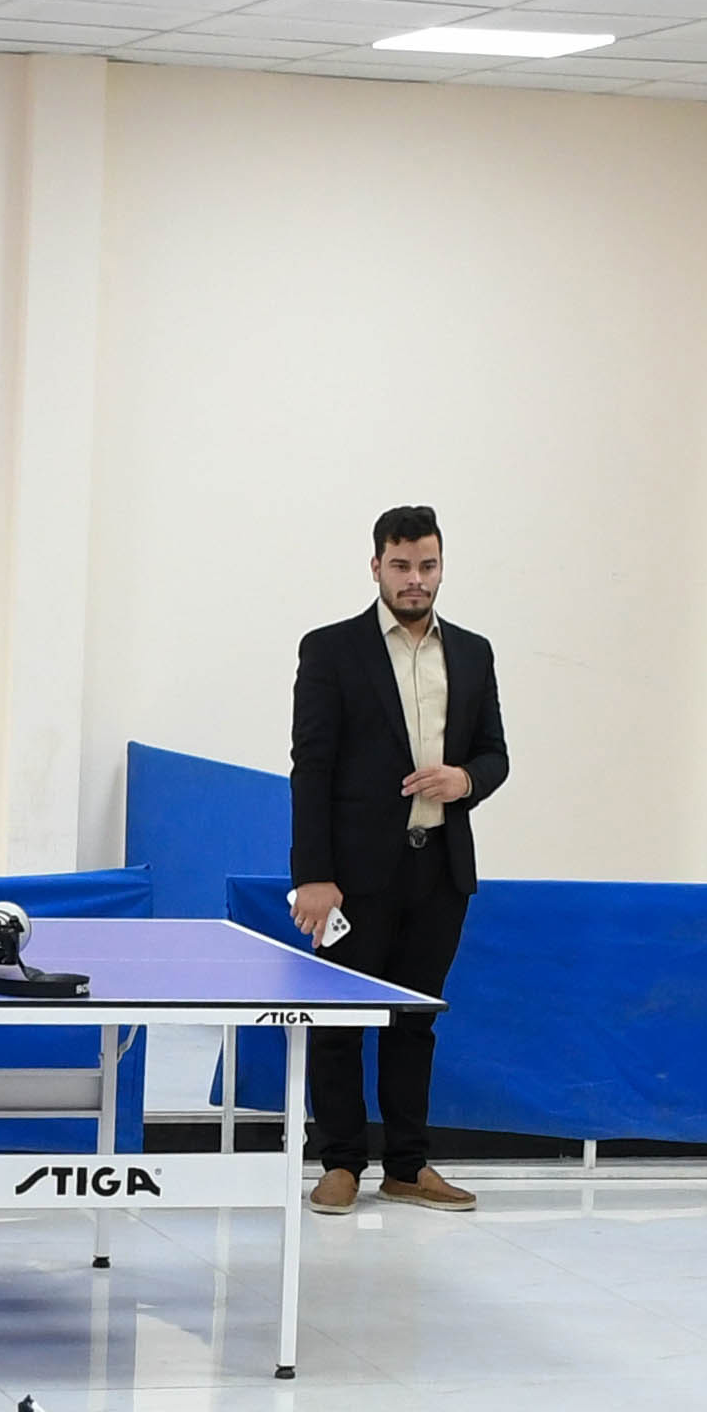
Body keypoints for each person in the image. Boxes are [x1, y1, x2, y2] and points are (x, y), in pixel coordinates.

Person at [289, 505, 507, 1217]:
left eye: (428, 565)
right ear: (377, 566)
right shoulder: (331, 649)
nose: (416, 579)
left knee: (415, 1022)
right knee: (340, 1023)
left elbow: (495, 754)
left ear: (441, 568)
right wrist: (313, 875)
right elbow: (311, 767)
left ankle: (408, 1165)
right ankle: (340, 1163)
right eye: (402, 565)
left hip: (439, 869)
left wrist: (465, 780)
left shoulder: (472, 653)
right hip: (353, 876)